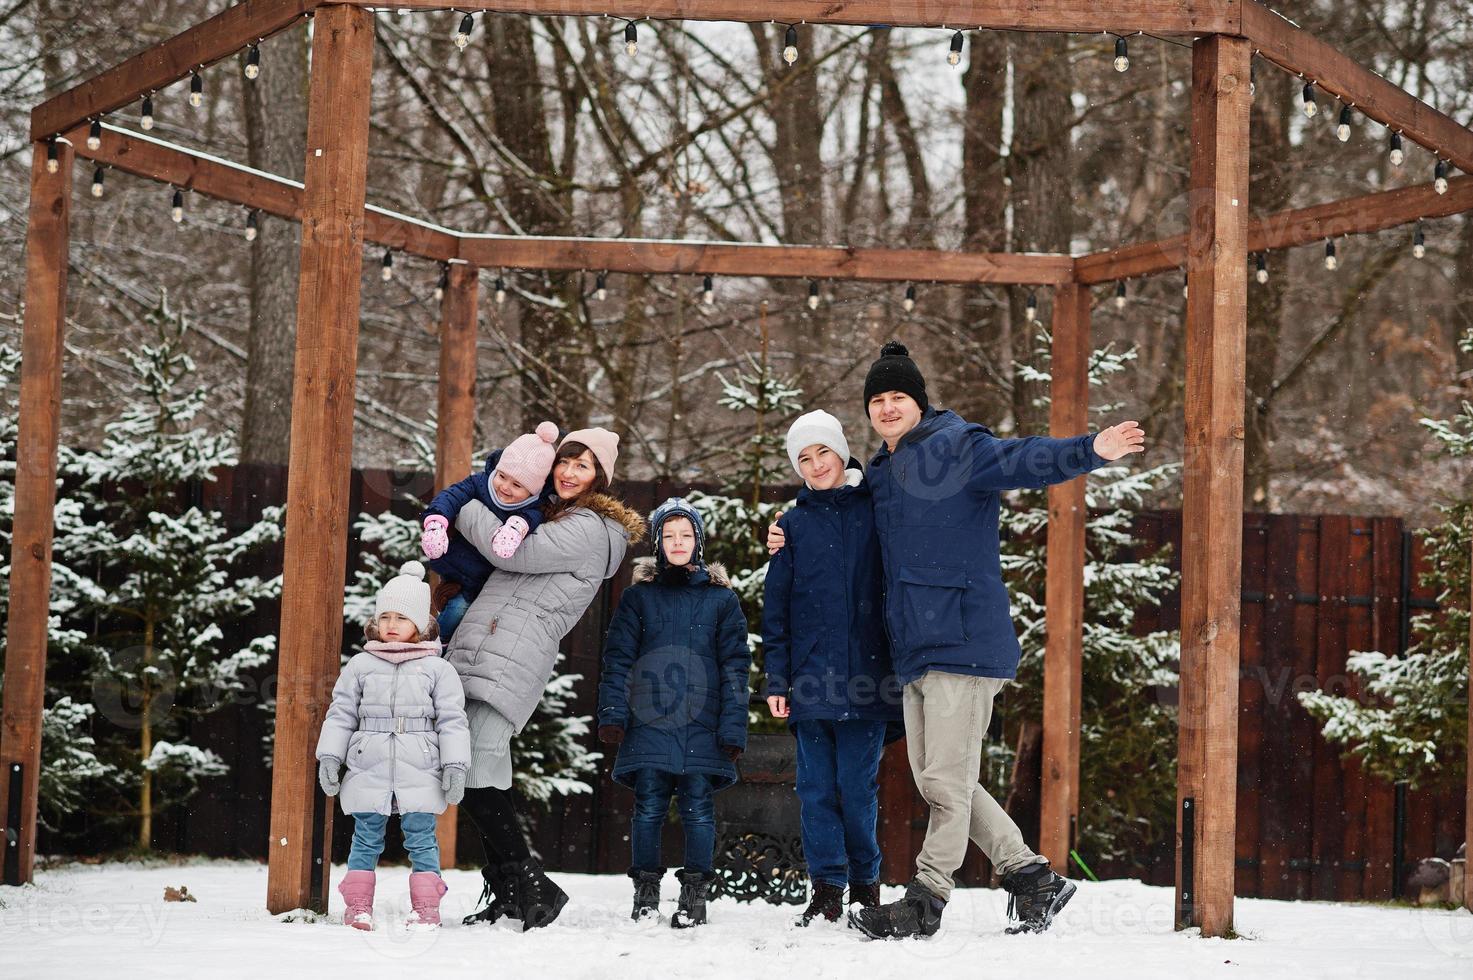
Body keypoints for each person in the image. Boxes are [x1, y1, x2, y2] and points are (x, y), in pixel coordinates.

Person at [768, 342, 1145, 939]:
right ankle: (1031, 878)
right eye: (878, 399)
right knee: (946, 781)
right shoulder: (883, 471)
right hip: (914, 650)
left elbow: (1023, 459)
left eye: (899, 397)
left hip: (963, 639)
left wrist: (1090, 450)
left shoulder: (957, 446)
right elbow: (836, 506)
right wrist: (786, 530)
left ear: (919, 401)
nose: (888, 408)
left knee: (943, 781)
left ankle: (927, 898)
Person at [446, 428, 646, 931]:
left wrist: (460, 501)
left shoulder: (592, 527)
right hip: (489, 643)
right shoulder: (547, 512)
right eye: (565, 461)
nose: (570, 472)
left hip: (514, 652)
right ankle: (514, 888)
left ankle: (532, 884)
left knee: (472, 765)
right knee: (479, 769)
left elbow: (514, 552)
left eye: (584, 466)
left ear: (600, 477)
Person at [761, 410, 902, 926]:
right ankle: (826, 888)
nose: (816, 464)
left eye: (823, 452)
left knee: (856, 787)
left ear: (842, 452)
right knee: (816, 790)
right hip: (810, 680)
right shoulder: (792, 525)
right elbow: (776, 610)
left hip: (869, 678)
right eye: (804, 458)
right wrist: (777, 678)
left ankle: (865, 884)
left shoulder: (878, 508)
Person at [596, 497, 751, 929]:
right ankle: (646, 892)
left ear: (698, 541)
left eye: (685, 535)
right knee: (648, 807)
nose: (677, 542)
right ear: (658, 543)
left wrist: (733, 727)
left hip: (703, 721)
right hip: (650, 717)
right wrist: (612, 713)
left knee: (699, 808)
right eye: (669, 535)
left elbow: (736, 667)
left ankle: (694, 895)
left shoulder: (722, 602)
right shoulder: (638, 598)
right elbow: (619, 658)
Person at [316, 560, 471, 930]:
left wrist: (454, 765)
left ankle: (426, 908)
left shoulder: (438, 669)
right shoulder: (360, 665)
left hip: (419, 765)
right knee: (366, 837)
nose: (391, 625)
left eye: (401, 618)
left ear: (421, 624)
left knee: (421, 838)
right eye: (384, 616)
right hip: (369, 763)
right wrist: (330, 756)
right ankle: (357, 907)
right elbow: (341, 714)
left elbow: (452, 721)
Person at [420, 420, 560, 640]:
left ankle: (444, 645)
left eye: (517, 485)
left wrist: (516, 528)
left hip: (488, 582)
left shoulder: (534, 506)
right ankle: (435, 644)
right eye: (502, 476)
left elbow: (531, 517)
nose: (504, 487)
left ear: (533, 490)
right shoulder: (480, 483)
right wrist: (436, 523)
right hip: (457, 565)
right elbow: (451, 496)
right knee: (456, 609)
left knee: (469, 619)